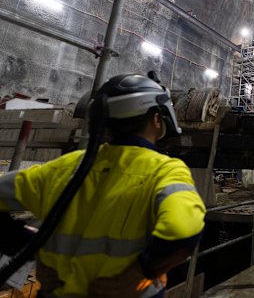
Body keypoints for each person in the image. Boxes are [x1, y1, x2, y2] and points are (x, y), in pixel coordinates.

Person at [0, 74, 206, 297]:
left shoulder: (62, 168)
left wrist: (30, 247)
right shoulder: (166, 171)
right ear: (157, 119)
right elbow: (183, 229)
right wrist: (139, 272)